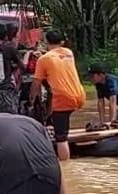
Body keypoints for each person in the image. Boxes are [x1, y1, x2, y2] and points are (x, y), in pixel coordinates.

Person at [29, 30, 86, 161]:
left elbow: (36, 84)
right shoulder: (68, 53)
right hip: (78, 95)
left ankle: (65, 167)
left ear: (46, 42)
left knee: (61, 137)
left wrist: (32, 99)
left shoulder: (43, 60)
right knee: (61, 124)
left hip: (62, 98)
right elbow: (56, 59)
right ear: (62, 42)